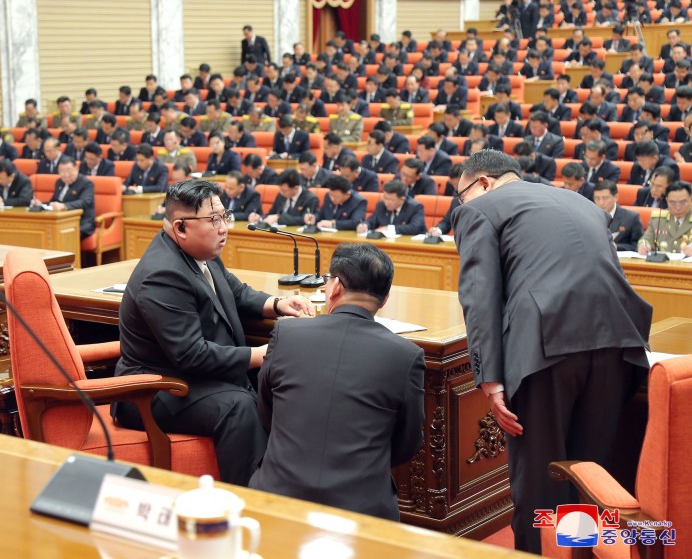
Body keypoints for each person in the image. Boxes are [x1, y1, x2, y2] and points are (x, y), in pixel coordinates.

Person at [452, 150, 651, 554]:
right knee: (594, 470)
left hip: (544, 345)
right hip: (618, 338)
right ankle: (587, 550)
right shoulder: (582, 202)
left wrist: (490, 380)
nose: (461, 206)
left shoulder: (482, 209)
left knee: (541, 478)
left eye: (461, 195)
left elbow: (480, 297)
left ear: (484, 183)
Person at [113, 180, 313, 485]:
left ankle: (287, 481)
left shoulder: (198, 251)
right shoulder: (162, 275)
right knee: (238, 405)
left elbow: (236, 292)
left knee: (279, 382)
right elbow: (191, 354)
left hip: (187, 378)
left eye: (224, 216)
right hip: (154, 388)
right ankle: (248, 496)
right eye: (214, 220)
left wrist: (279, 303)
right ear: (180, 227)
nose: (224, 228)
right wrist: (261, 354)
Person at [249, 242, 425, 519]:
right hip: (362, 509)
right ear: (386, 297)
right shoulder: (406, 355)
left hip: (277, 497)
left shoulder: (287, 334)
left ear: (335, 287)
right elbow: (408, 443)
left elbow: (267, 412)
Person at [31, 156, 95, 240]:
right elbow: (54, 201)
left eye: (69, 171)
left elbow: (84, 202)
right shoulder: (59, 182)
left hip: (80, 223)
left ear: (76, 168)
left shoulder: (86, 184)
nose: (66, 175)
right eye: (62, 172)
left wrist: (64, 206)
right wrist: (41, 204)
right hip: (60, 221)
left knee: (62, 235)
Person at [638, 181, 692, 256]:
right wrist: (644, 245)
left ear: (691, 199)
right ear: (667, 200)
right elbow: (646, 239)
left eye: (683, 203)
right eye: (672, 203)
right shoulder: (658, 219)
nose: (678, 207)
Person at [251, 169, 319, 226]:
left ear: (295, 188)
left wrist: (279, 218)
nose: (281, 192)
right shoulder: (281, 195)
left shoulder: (310, 199)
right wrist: (259, 218)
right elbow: (271, 214)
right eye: (280, 189)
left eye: (284, 190)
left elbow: (304, 220)